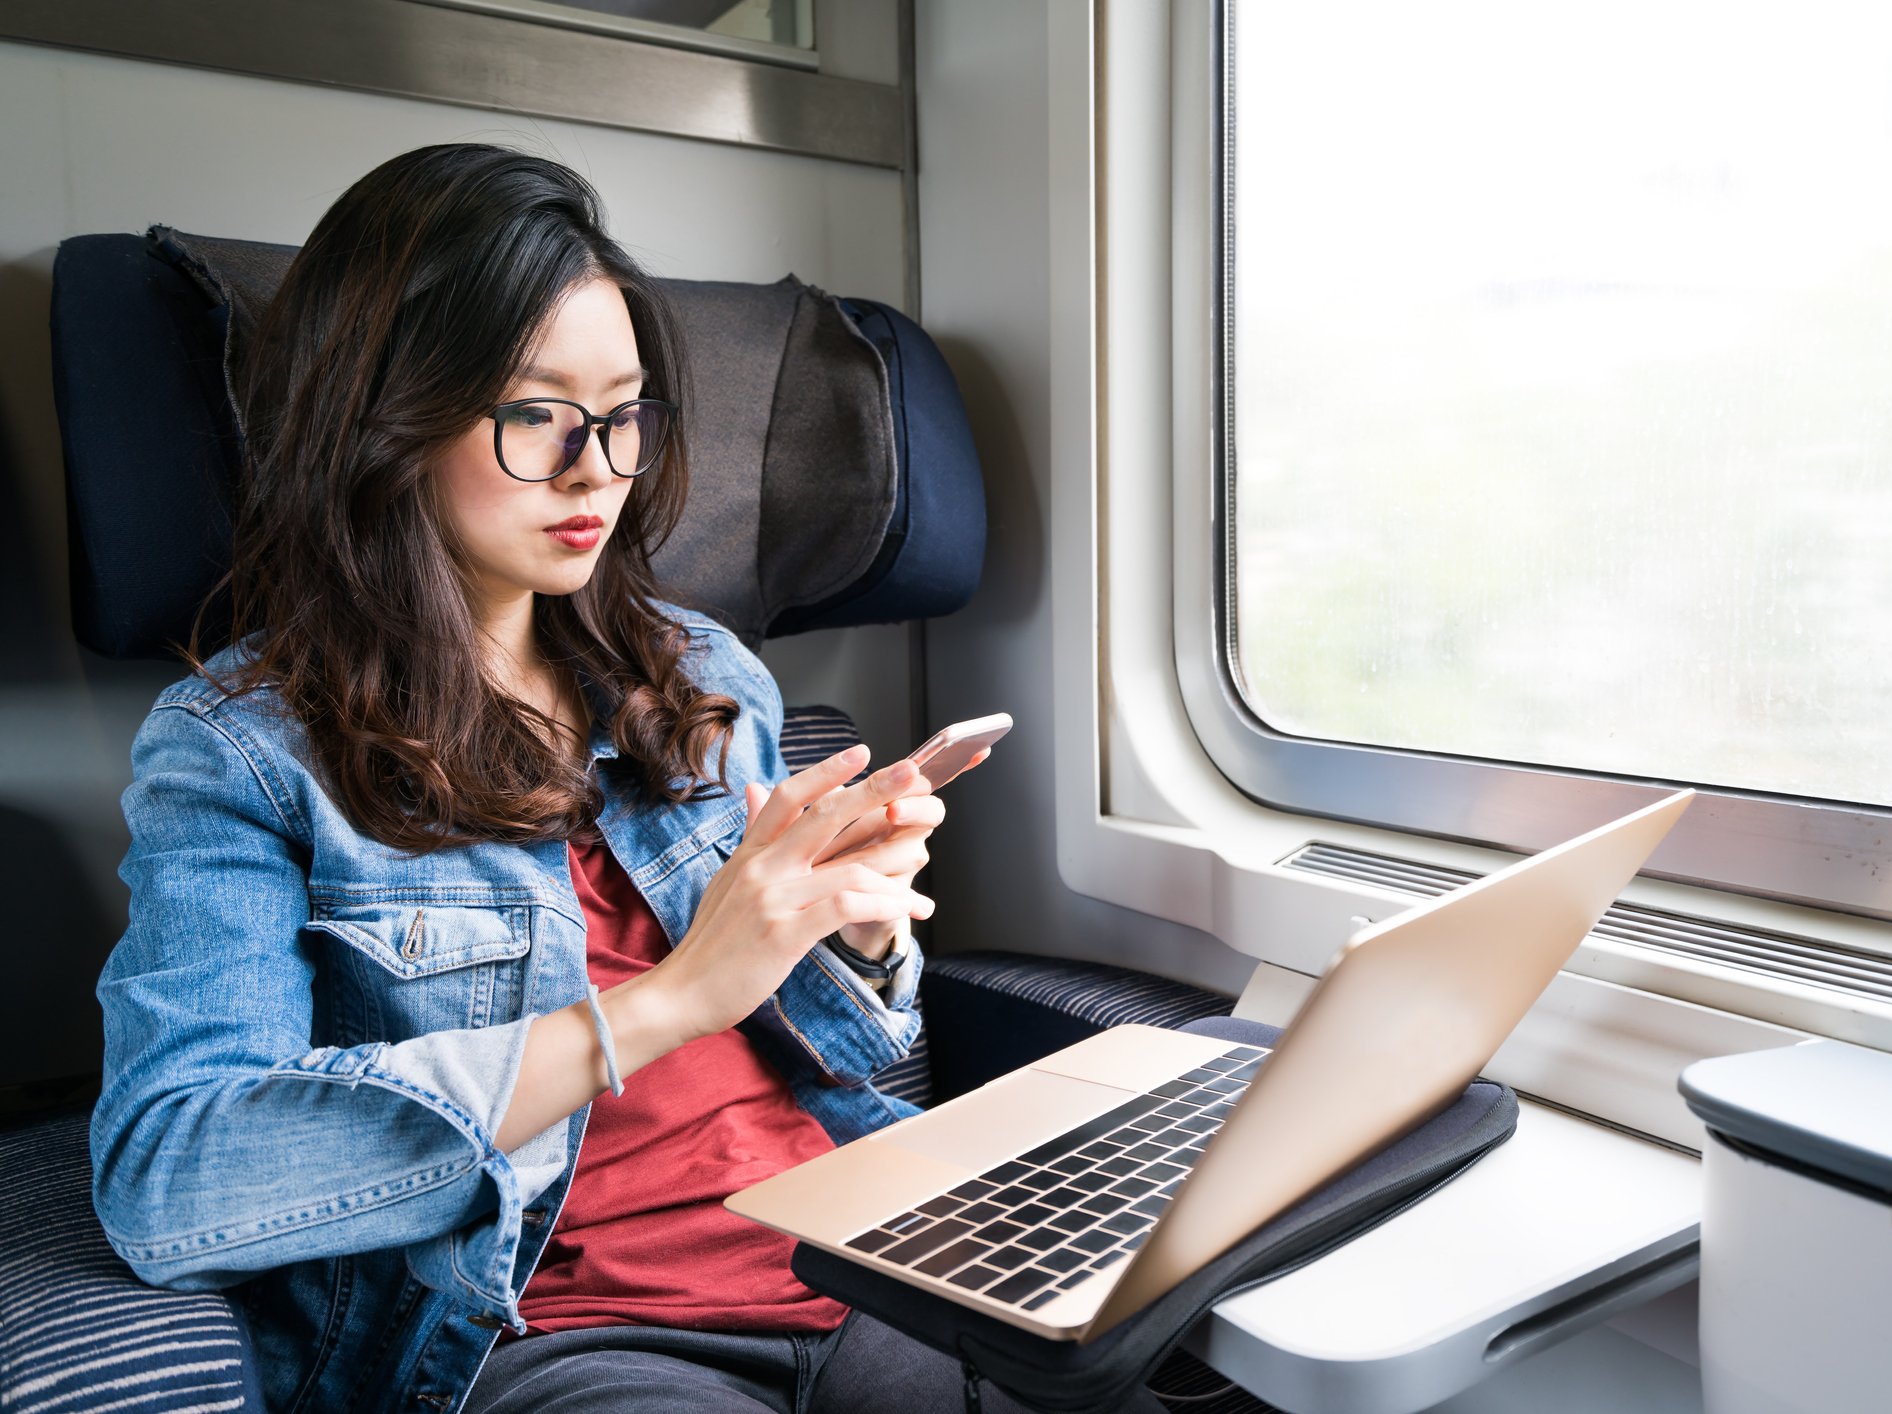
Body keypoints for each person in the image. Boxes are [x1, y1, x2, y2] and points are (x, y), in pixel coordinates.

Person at [88, 144, 1161, 1414]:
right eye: (536, 411)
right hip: (567, 1329)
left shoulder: (699, 673)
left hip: (858, 1252)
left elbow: (854, 1049)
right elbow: (174, 1179)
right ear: (379, 418)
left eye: (625, 411)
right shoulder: (240, 749)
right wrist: (663, 1003)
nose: (599, 465)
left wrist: (858, 939)